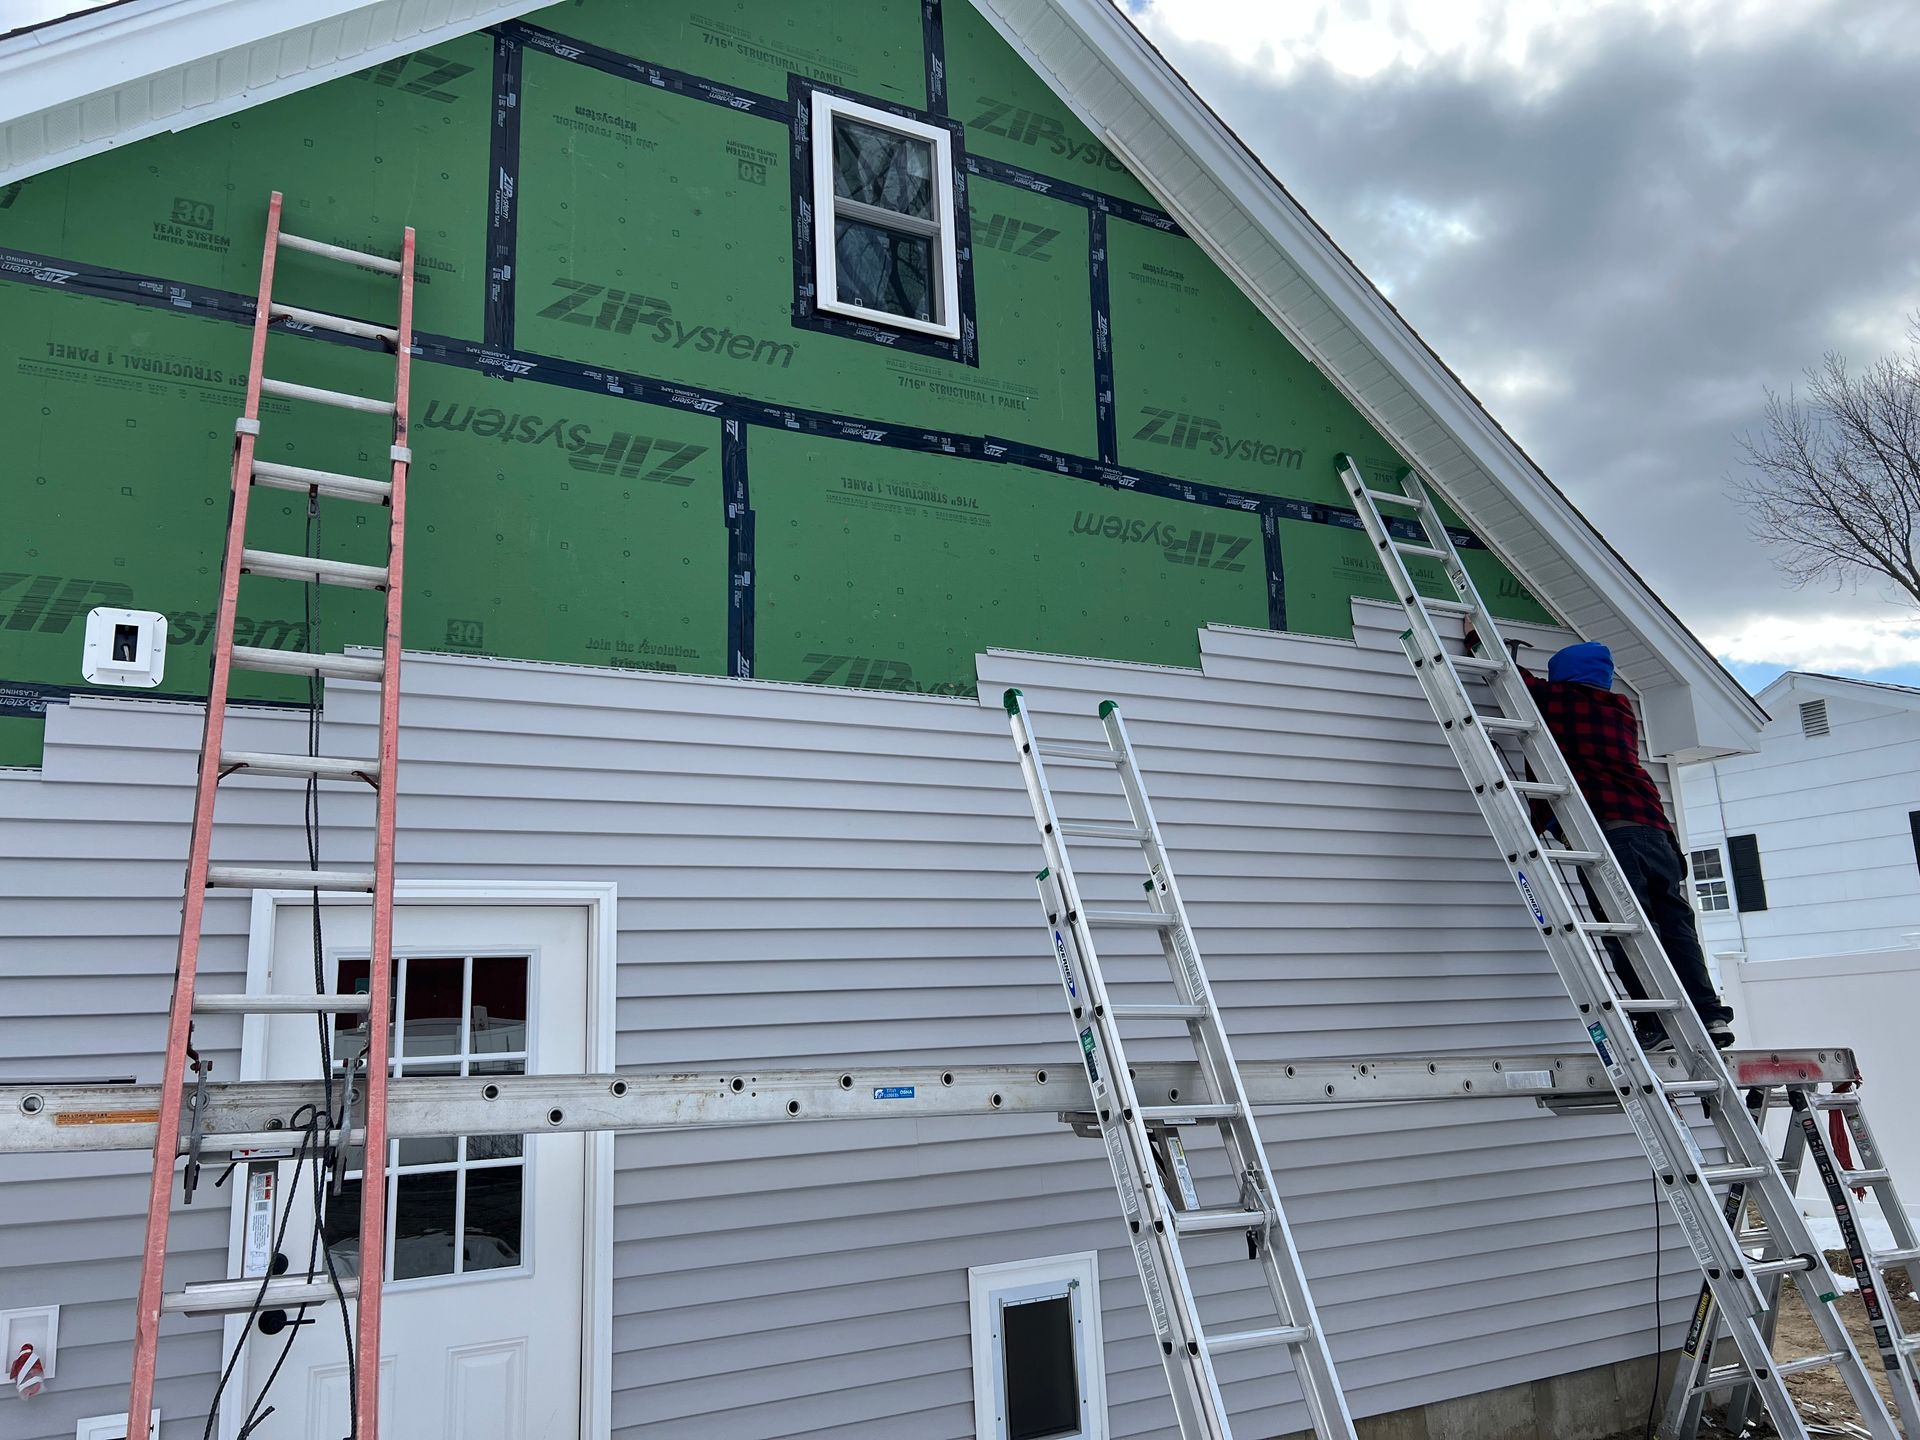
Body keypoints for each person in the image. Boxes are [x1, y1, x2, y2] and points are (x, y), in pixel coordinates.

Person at [1466, 624, 1735, 1049]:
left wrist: (1478, 640)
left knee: (1625, 929)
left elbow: (1515, 682)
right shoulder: (1621, 708)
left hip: (1617, 836)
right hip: (1658, 834)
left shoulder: (1562, 702)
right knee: (1676, 926)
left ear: (1566, 678)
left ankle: (1655, 1021)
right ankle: (1709, 1015)